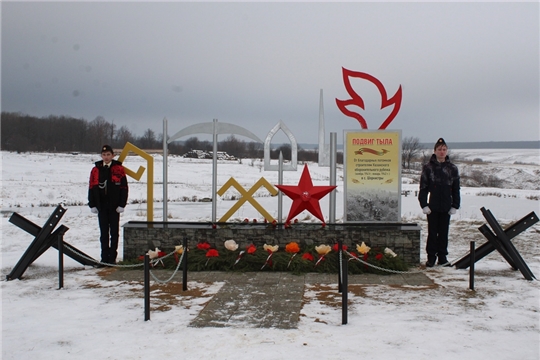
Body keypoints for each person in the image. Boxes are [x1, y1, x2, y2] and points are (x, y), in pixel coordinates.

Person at [418, 138, 460, 267]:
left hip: (446, 206)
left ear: (446, 151)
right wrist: (424, 205)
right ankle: (431, 257)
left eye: (444, 149)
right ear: (435, 151)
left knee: (443, 232)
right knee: (432, 232)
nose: (442, 152)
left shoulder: (452, 168)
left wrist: (455, 205)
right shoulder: (428, 168)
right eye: (439, 149)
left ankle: (442, 257)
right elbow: (423, 188)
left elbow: (456, 188)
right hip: (433, 206)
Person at [88, 145, 128, 266]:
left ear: (112, 156)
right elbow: (91, 187)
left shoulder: (118, 169)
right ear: (101, 156)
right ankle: (104, 257)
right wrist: (92, 204)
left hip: (114, 206)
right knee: (104, 232)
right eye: (104, 155)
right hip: (101, 205)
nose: (106, 157)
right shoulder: (96, 169)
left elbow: (124, 188)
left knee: (114, 232)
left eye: (108, 155)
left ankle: (112, 257)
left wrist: (122, 204)